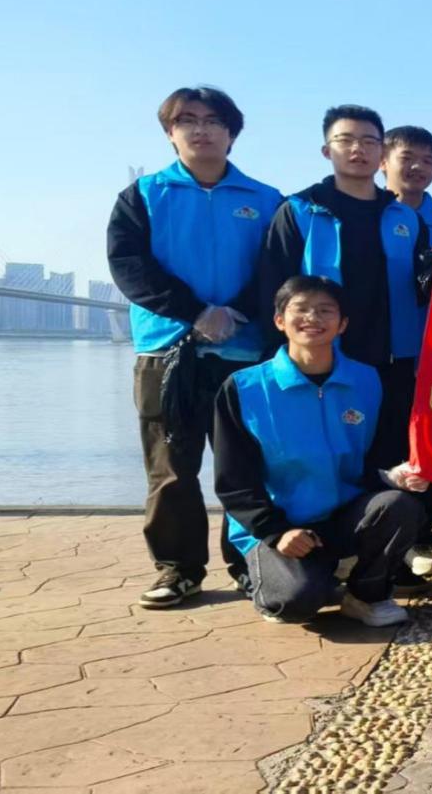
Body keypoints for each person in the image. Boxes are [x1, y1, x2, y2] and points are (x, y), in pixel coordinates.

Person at [106, 85, 282, 609]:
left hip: (245, 352)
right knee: (171, 467)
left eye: (213, 120)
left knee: (247, 466)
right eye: (187, 120)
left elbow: (277, 267)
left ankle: (250, 565)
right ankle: (178, 569)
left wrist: (233, 313)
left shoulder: (266, 199)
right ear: (170, 133)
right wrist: (197, 312)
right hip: (167, 351)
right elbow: (130, 267)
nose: (201, 129)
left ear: (232, 133)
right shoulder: (143, 196)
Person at [256, 105, 432, 588]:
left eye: (369, 141)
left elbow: (422, 289)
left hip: (393, 361)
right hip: (324, 362)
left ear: (382, 153)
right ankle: (315, 555)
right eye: (346, 140)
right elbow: (274, 286)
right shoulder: (299, 211)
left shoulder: (404, 217)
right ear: (326, 149)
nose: (358, 150)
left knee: (392, 458)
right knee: (326, 454)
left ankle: (387, 562)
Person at [213, 275, 427, 626]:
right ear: (279, 320)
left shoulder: (369, 382)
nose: (313, 318)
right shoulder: (245, 388)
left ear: (342, 324)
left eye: (326, 310)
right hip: (281, 526)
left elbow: (378, 457)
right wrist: (276, 531)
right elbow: (234, 480)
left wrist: (395, 475)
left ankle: (366, 595)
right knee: (295, 604)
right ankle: (264, 573)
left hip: (344, 516)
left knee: (400, 505)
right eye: (301, 309)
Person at [380, 125, 432, 575]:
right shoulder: (366, 216)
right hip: (374, 354)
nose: (417, 167)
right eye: (407, 157)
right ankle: (379, 542)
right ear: (383, 162)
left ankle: (422, 539)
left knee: (430, 448)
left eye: (427, 160)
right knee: (379, 448)